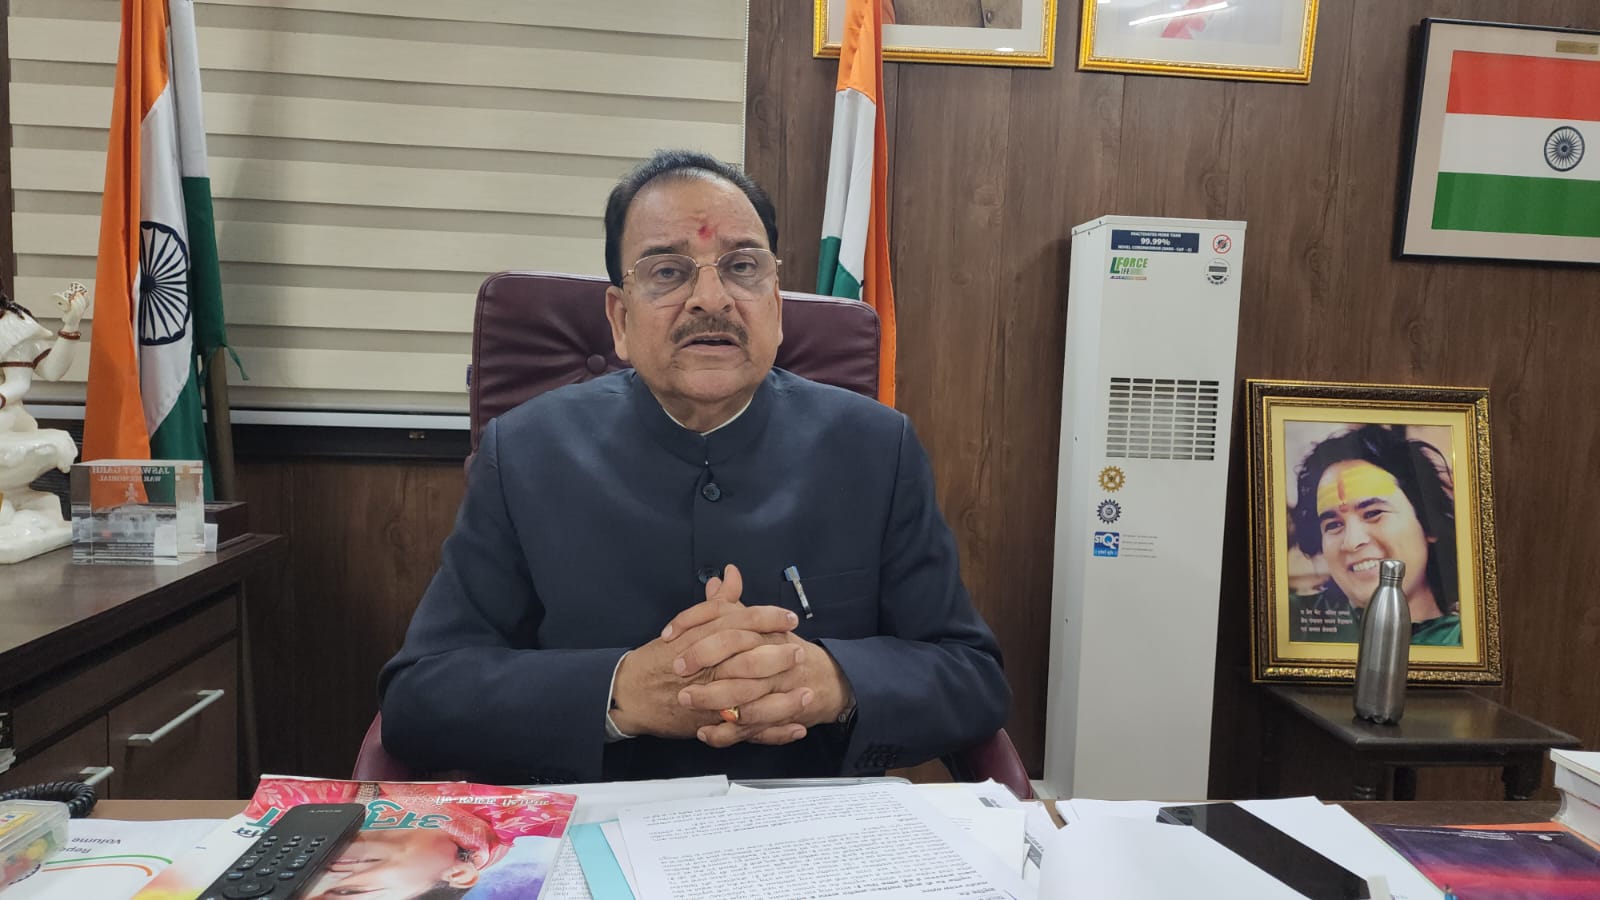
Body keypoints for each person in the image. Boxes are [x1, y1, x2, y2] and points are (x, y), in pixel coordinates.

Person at [378, 149, 1010, 783]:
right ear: (620, 320)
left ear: (776, 305)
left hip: (813, 820)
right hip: (597, 815)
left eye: (742, 267)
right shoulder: (524, 453)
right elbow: (422, 694)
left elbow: (972, 676)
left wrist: (834, 682)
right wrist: (619, 693)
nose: (712, 299)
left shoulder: (876, 447)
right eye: (667, 271)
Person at [1290, 424, 1463, 646]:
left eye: (1373, 513)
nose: (1351, 542)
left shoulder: (1470, 641)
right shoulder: (1294, 623)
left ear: (1429, 525)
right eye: (1333, 525)